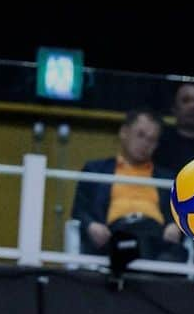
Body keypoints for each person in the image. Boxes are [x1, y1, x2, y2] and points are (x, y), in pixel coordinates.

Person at [71, 109, 185, 261]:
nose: (145, 144)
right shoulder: (96, 169)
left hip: (155, 237)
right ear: (124, 132)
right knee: (128, 245)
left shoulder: (167, 178)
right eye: (140, 135)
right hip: (115, 232)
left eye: (152, 140)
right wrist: (91, 225)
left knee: (169, 254)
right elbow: (79, 209)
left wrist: (175, 225)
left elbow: (183, 214)